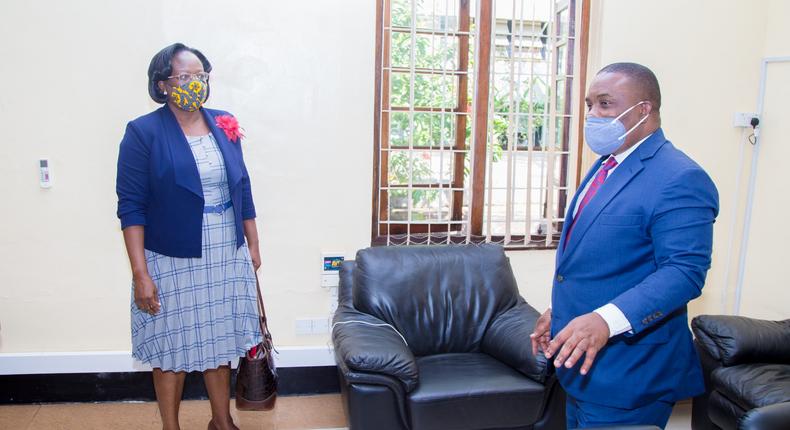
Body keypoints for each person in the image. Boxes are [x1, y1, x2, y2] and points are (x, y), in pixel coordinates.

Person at [530, 62, 719, 428]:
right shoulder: (607, 164)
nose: (592, 115)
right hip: (585, 371)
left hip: (631, 375)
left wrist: (603, 320)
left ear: (643, 109)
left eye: (605, 104)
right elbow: (603, 259)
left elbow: (684, 273)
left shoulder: (680, 177)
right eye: (589, 104)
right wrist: (563, 312)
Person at [116, 43, 262, 430]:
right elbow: (131, 207)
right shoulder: (142, 132)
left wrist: (253, 244)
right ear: (162, 84)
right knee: (171, 345)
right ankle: (171, 426)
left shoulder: (224, 123)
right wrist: (139, 273)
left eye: (200, 76)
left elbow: (241, 186)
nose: (194, 84)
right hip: (171, 255)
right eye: (184, 76)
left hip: (224, 250)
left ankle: (221, 420)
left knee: (219, 340)